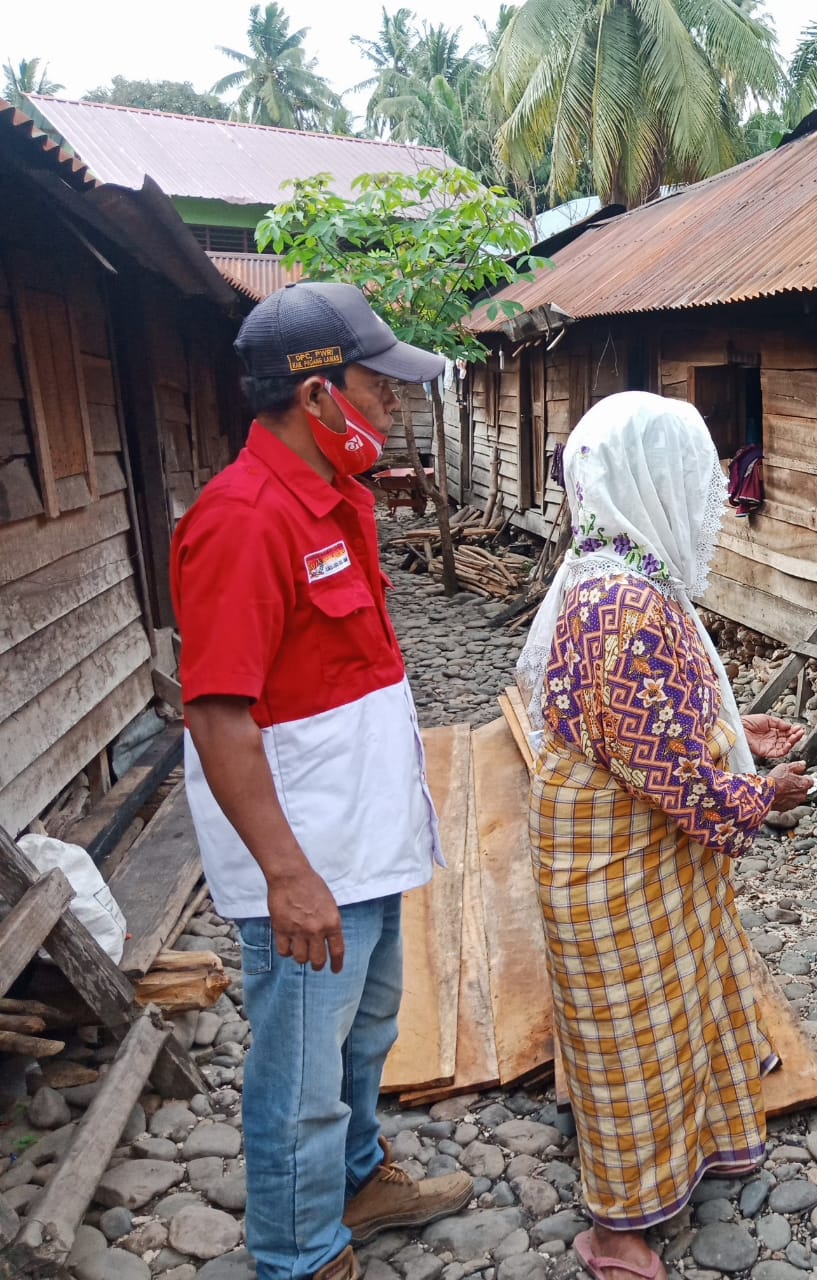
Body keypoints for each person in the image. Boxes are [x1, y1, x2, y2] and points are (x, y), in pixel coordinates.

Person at [172, 282, 474, 1280]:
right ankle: (297, 1254)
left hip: (364, 838)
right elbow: (217, 714)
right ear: (316, 395)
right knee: (298, 1071)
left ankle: (353, 1179)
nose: (393, 405)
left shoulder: (335, 493)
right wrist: (286, 874)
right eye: (376, 387)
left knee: (364, 1035)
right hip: (306, 858)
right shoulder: (243, 519)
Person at [516, 391, 812, 1280]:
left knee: (670, 1007)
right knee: (629, 1037)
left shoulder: (615, 569)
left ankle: (692, 1150)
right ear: (652, 478)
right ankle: (615, 1229)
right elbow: (675, 775)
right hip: (618, 860)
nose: (713, 493)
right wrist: (762, 793)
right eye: (698, 473)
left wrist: (736, 733)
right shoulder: (625, 606)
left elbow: (649, 724)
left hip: (628, 843)